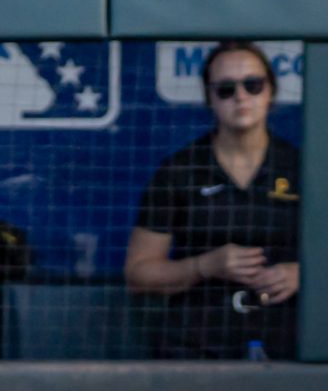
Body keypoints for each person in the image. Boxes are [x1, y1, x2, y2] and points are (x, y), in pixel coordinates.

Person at [124, 41, 301, 360]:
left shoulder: (302, 167)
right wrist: (205, 266)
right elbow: (138, 273)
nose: (241, 97)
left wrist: (300, 273)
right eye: (225, 89)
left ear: (271, 92)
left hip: (287, 340)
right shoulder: (180, 171)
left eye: (253, 85)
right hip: (196, 343)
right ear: (210, 98)